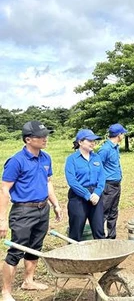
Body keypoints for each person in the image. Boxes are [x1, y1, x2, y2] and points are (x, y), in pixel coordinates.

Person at [1, 120, 62, 300]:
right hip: (23, 211)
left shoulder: (46, 158)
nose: (45, 139)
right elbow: (4, 189)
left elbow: (48, 182)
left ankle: (28, 281)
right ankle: (5, 292)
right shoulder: (16, 161)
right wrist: (2, 219)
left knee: (35, 247)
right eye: (40, 136)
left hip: (43, 209)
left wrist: (56, 204)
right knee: (16, 250)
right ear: (28, 139)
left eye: (46, 135)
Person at [65, 129, 106, 241]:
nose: (93, 143)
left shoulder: (96, 157)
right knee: (76, 232)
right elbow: (72, 181)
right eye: (90, 140)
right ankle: (74, 257)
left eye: (94, 141)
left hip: (96, 196)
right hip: (78, 197)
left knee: (99, 231)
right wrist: (87, 195)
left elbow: (102, 177)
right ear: (80, 142)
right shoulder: (72, 159)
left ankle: (101, 256)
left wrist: (97, 193)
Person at [98, 123, 128, 239]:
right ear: (119, 135)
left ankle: (111, 237)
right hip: (108, 186)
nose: (123, 136)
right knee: (104, 212)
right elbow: (97, 167)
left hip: (116, 185)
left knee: (113, 212)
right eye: (123, 134)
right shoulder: (105, 149)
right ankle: (99, 238)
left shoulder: (115, 148)